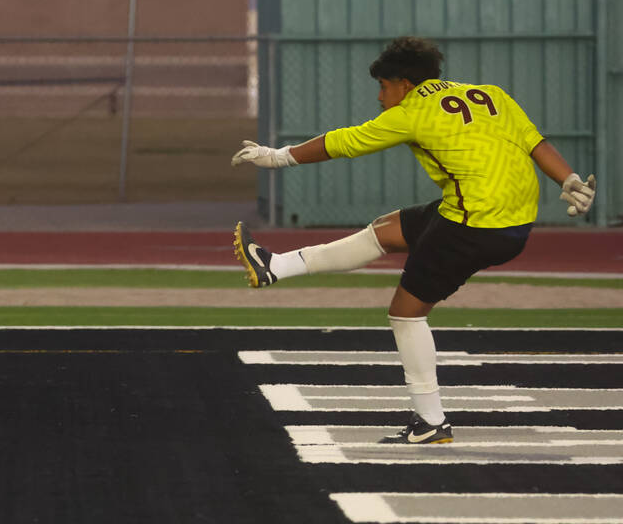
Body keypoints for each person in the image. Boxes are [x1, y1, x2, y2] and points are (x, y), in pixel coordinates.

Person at [231, 36, 596, 444]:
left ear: (404, 84)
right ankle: (276, 266)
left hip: (473, 224)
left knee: (406, 312)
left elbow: (344, 142)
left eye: (384, 86)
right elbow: (536, 143)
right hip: (506, 219)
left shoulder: (413, 111)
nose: (380, 96)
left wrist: (277, 156)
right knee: (388, 229)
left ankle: (430, 421)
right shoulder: (490, 94)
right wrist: (570, 179)